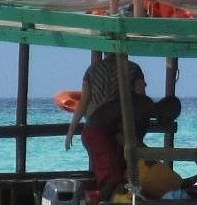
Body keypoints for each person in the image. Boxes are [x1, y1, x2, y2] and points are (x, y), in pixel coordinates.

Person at [63, 53, 148, 195]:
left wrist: (71, 131)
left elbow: (84, 101)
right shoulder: (133, 69)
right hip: (120, 129)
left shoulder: (92, 70)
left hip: (95, 130)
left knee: (107, 175)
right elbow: (141, 99)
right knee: (123, 173)